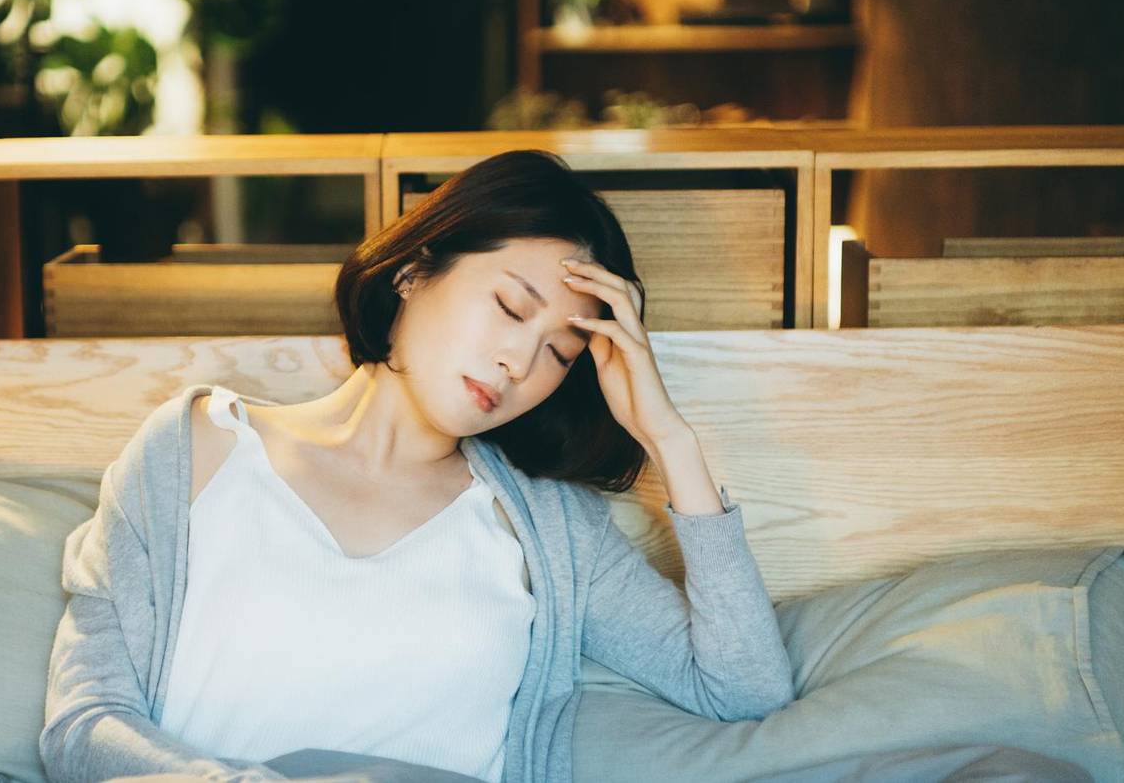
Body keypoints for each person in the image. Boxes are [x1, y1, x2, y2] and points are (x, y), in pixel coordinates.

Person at [41, 149, 795, 783]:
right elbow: (85, 721)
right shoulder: (194, 451)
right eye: (509, 306)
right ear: (413, 271)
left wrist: (672, 441)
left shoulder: (549, 531)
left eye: (560, 353)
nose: (519, 360)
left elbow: (743, 689)